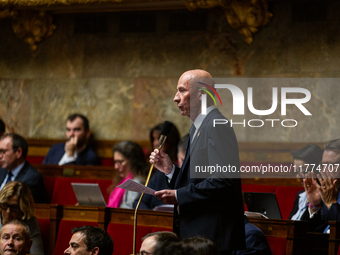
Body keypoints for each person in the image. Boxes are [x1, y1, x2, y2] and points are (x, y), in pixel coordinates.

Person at [149, 69, 245, 254]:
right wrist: (170, 170)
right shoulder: (197, 127)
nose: (176, 98)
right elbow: (196, 181)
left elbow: (223, 180)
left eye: (182, 90)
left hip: (212, 237)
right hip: (197, 233)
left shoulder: (217, 125)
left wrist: (178, 195)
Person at [134, 124, 181, 210]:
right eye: (154, 139)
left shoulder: (181, 168)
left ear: (171, 140)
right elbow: (140, 201)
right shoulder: (158, 172)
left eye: (159, 139)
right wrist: (151, 217)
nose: (156, 143)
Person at [304, 139, 340, 233]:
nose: (324, 170)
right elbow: (307, 232)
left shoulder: (330, 194)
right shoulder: (329, 189)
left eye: (330, 165)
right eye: (323, 165)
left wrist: (331, 204)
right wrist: (315, 206)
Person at [0, 133, 48, 203]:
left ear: (18, 152)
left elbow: (19, 206)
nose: (0, 156)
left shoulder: (32, 178)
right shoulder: (1, 171)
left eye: (3, 152)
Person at [0, 181, 44, 255]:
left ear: (23, 209)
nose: (8, 211)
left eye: (14, 207)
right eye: (4, 205)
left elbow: (37, 253)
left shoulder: (30, 222)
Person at [107, 141, 148, 208]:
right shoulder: (122, 181)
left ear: (133, 162)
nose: (116, 167)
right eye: (115, 162)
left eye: (120, 162)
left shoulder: (136, 184)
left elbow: (128, 211)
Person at [288, 144, 323, 220]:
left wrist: (314, 206)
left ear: (318, 170)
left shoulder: (326, 198)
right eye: (296, 172)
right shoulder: (301, 196)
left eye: (303, 171)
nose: (298, 177)